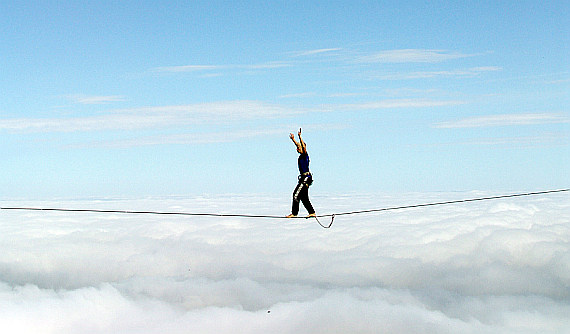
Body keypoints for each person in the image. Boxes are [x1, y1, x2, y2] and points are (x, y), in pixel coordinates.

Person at [286, 128, 316, 218]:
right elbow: (299, 145)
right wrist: (293, 139)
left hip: (306, 178)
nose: (297, 149)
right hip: (304, 178)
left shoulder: (305, 155)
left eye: (298, 148)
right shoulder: (301, 156)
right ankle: (312, 212)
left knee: (296, 195)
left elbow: (303, 146)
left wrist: (300, 137)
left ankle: (294, 213)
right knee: (303, 197)